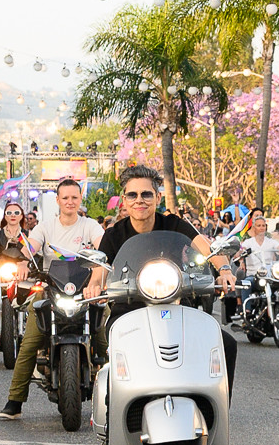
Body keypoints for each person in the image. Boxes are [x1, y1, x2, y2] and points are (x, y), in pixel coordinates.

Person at [84, 163, 237, 381]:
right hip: (130, 308)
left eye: (146, 194)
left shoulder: (173, 224)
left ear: (157, 197)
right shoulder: (114, 234)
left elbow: (207, 248)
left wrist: (224, 269)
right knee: (119, 353)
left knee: (226, 344)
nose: (139, 200)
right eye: (132, 195)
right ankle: (115, 400)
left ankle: (214, 402)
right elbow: (100, 270)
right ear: (124, 200)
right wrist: (94, 286)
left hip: (176, 304)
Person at [0, 177, 103, 419]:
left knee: (107, 334)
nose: (70, 201)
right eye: (65, 197)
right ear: (57, 200)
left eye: (74, 197)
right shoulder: (45, 227)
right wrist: (23, 262)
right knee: (29, 343)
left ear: (80, 199)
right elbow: (30, 248)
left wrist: (98, 282)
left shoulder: (91, 226)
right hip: (51, 290)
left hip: (85, 292)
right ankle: (15, 400)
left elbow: (103, 250)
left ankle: (116, 398)